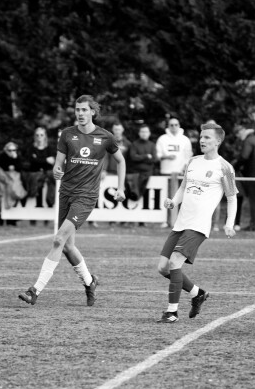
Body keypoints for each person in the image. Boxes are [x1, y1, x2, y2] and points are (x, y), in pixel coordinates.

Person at [18, 95, 126, 306]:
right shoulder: (67, 134)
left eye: (84, 110)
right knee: (67, 247)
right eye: (77, 110)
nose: (80, 113)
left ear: (93, 112)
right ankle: (89, 281)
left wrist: (121, 188)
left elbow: (121, 161)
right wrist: (57, 170)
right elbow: (58, 164)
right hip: (66, 193)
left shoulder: (105, 137)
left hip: (86, 197)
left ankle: (35, 290)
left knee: (58, 239)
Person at [156, 123, 238, 323]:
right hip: (181, 222)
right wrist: (173, 202)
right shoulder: (192, 161)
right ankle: (197, 293)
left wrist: (229, 223)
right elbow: (184, 187)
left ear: (218, 141)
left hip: (199, 225)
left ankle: (172, 312)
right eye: (201, 137)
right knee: (163, 268)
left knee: (175, 261)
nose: (202, 140)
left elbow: (232, 197)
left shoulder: (224, 167)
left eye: (207, 137)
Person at [156, 116, 194, 227]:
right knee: (166, 197)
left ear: (179, 126)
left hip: (180, 173)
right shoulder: (162, 139)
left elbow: (189, 156)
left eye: (176, 124)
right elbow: (157, 155)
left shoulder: (185, 139)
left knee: (180, 197)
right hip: (166, 171)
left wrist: (185, 168)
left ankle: (179, 220)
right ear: (168, 126)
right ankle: (166, 220)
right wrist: (165, 157)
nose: (173, 127)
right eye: (171, 125)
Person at [234, 124, 255, 231]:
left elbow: (244, 156)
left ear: (241, 132)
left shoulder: (248, 141)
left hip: (253, 174)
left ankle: (254, 225)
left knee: (253, 200)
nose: (239, 137)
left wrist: (235, 166)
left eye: (238, 134)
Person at [22, 127, 57, 212]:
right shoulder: (31, 149)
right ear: (34, 136)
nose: (39, 137)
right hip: (35, 174)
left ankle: (50, 202)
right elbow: (31, 163)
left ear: (45, 136)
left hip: (48, 174)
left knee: (52, 178)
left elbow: (52, 161)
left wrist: (38, 159)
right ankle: (33, 217)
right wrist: (45, 160)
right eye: (37, 135)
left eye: (41, 135)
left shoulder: (50, 148)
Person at [127, 124, 156, 205]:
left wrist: (139, 157)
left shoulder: (152, 145)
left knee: (146, 196)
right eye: (142, 132)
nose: (144, 133)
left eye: (146, 132)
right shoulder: (134, 144)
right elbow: (133, 158)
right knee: (134, 193)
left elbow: (154, 159)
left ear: (149, 133)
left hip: (148, 175)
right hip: (135, 174)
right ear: (139, 133)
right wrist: (146, 156)